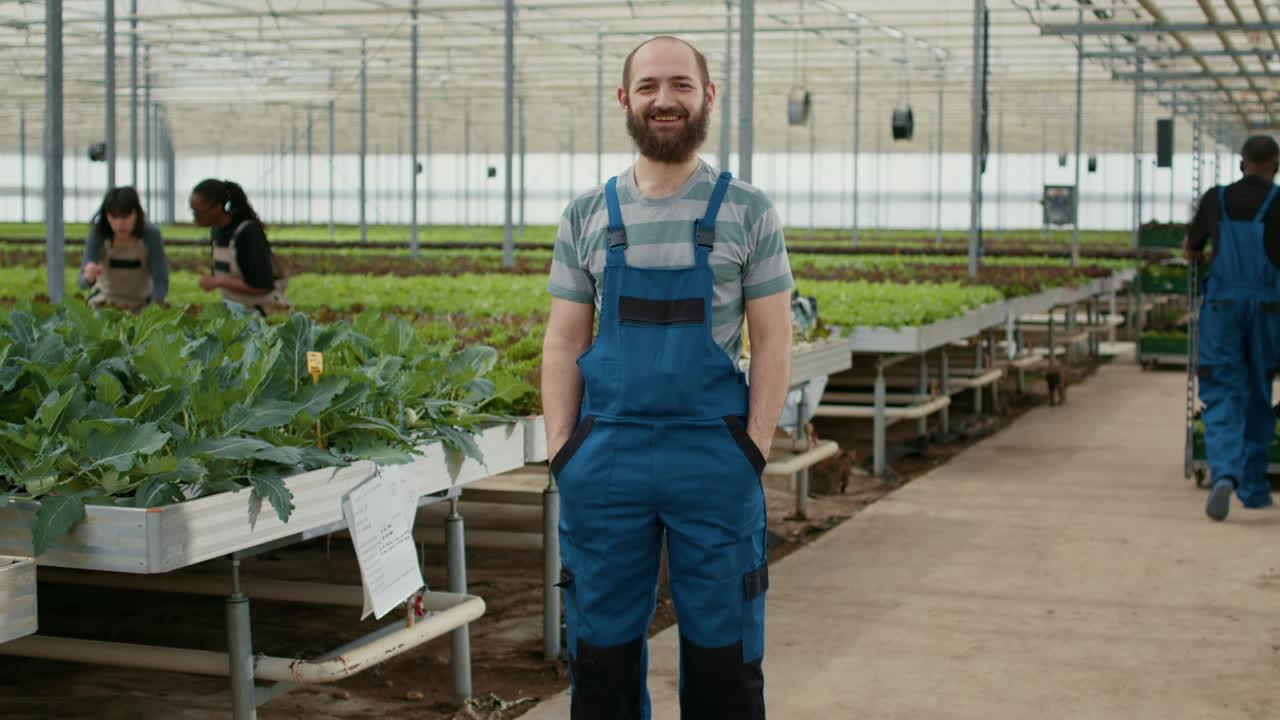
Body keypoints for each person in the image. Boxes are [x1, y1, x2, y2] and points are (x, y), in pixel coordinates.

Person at [542, 36, 793, 719]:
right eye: (649, 86)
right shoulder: (586, 215)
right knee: (601, 649)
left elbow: (772, 341)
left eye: (681, 85)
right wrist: (564, 448)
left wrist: (755, 447)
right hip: (606, 460)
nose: (665, 99)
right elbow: (564, 339)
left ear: (707, 97)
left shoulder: (747, 211)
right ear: (625, 99)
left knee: (724, 649)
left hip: (712, 457)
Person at [1186, 135, 1280, 521]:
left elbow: (1191, 248)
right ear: (1275, 164)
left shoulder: (1215, 198)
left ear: (1242, 163)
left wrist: (1205, 254)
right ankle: (1254, 489)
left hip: (1222, 309)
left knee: (1222, 389)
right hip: (1269, 309)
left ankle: (1223, 471)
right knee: (1259, 389)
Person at [189, 178, 290, 314]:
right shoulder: (216, 231)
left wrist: (219, 281)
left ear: (217, 207)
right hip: (239, 312)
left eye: (199, 212)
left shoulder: (248, 232)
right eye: (193, 211)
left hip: (264, 313)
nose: (195, 217)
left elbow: (262, 285)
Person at [79, 186, 168, 311]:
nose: (120, 224)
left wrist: (154, 308)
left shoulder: (150, 234)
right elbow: (82, 283)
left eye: (125, 216)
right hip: (104, 304)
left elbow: (161, 279)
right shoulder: (98, 233)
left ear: (136, 213)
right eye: (114, 217)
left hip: (141, 305)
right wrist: (89, 277)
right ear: (106, 216)